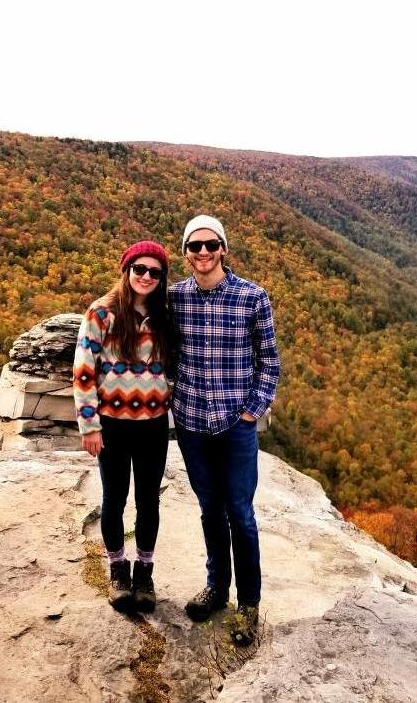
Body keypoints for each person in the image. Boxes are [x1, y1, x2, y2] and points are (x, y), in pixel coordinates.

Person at [168, 215, 280, 646]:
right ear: (185, 253)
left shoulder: (253, 297)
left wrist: (253, 411)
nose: (203, 252)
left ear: (223, 248)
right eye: (194, 246)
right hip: (192, 424)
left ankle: (248, 606)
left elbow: (269, 361)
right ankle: (217, 588)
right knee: (209, 509)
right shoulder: (175, 299)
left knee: (241, 515)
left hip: (235, 425)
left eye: (210, 244)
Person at [73, 241, 171, 614]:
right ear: (126, 270)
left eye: (154, 272)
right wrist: (89, 426)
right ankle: (118, 569)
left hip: (153, 424)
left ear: (161, 278)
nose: (146, 277)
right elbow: (83, 371)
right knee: (114, 499)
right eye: (139, 269)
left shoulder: (163, 315)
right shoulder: (102, 313)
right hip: (112, 425)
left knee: (148, 500)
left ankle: (144, 571)